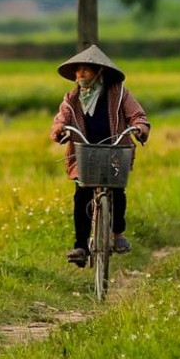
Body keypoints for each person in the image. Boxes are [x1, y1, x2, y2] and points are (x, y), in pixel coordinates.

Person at [49, 44, 150, 267]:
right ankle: (81, 246)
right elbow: (61, 117)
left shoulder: (119, 93)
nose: (80, 74)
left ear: (99, 72)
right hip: (85, 152)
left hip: (114, 150)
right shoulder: (72, 99)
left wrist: (140, 127)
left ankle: (117, 235)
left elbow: (137, 115)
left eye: (86, 69)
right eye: (78, 71)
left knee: (117, 190)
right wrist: (60, 128)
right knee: (82, 194)